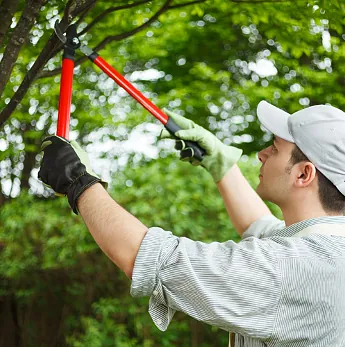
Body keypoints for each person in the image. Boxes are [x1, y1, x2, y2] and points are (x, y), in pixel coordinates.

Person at [38, 101, 345, 347]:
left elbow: (152, 259)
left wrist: (78, 181)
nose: (262, 154)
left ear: (304, 174)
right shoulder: (325, 249)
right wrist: (220, 163)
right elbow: (260, 226)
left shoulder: (292, 269)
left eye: (275, 148)